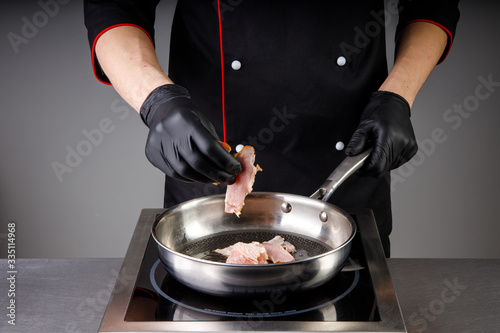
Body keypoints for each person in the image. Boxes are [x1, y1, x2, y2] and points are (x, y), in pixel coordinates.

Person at [84, 0, 460, 257]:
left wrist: (397, 96)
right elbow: (116, 7)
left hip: (350, 158)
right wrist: (158, 102)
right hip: (209, 163)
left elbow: (431, 5)